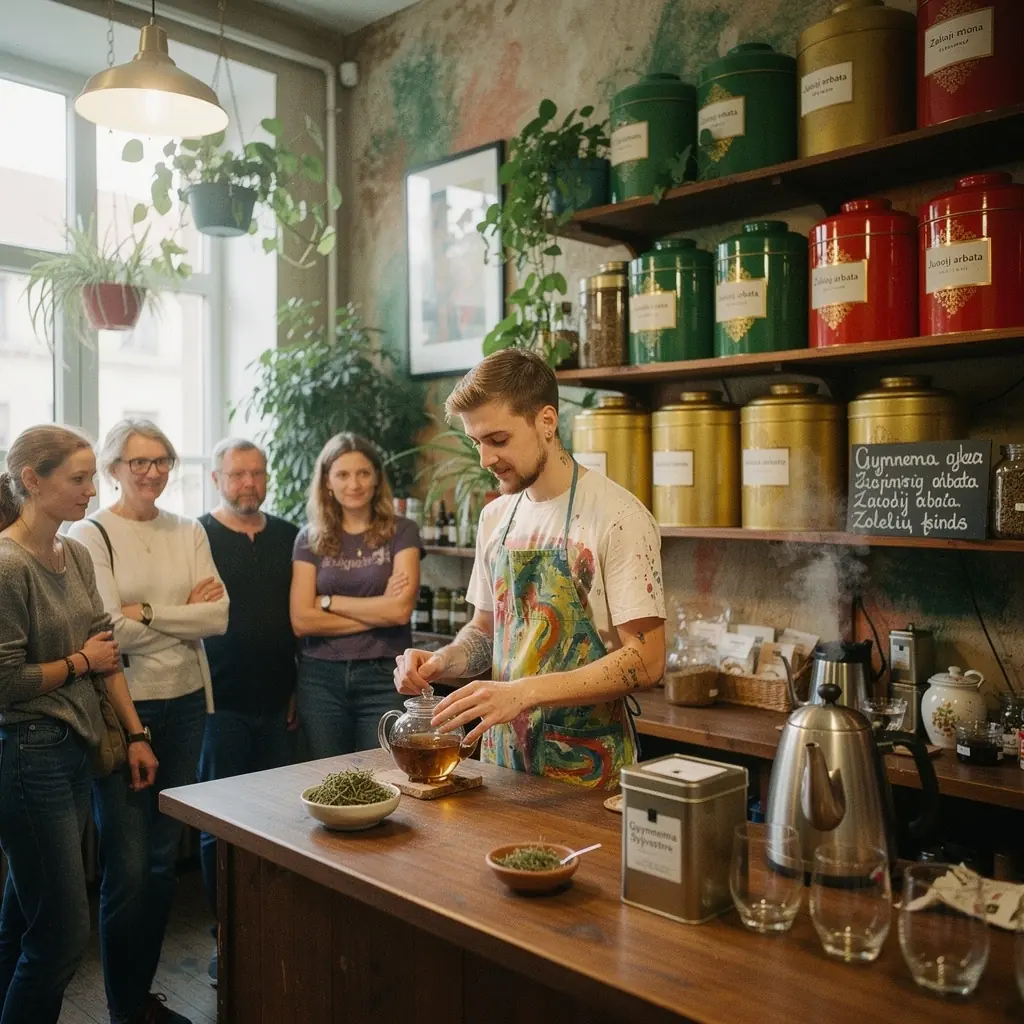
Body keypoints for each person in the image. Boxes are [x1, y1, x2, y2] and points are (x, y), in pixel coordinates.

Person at [394, 350, 666, 790]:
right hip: (500, 765)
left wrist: (523, 693)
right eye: (475, 442)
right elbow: (484, 631)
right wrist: (443, 661)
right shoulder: (496, 518)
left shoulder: (617, 516)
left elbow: (647, 660)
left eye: (497, 440)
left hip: (589, 770)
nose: (484, 458)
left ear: (546, 421)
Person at [68, 418, 228, 1024]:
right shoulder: (91, 533)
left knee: (163, 865)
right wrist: (182, 613)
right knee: (129, 869)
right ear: (113, 468)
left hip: (187, 700)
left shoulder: (188, 529)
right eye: (138, 462)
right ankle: (122, 1005)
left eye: (161, 460)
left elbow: (219, 619)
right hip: (122, 707)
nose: (153, 471)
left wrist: (154, 612)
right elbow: (110, 627)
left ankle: (141, 997)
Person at [0, 425, 158, 1024]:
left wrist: (136, 734)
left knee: (22, 924)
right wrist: (78, 664)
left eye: (93, 476)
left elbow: (107, 651)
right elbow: (5, 682)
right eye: (78, 478)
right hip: (29, 757)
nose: (91, 490)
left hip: (74, 752)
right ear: (33, 481)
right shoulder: (7, 565)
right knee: (62, 937)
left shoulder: (77, 552)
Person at [197, 438, 298, 972]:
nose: (249, 484)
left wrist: (298, 688)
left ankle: (272, 927)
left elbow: (298, 618)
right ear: (216, 479)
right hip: (218, 706)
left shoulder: (288, 534)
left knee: (281, 822)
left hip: (279, 704)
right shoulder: (198, 535)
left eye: (257, 473)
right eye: (237, 474)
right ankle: (226, 936)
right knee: (219, 826)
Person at [290, 433, 421, 758]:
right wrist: (378, 611)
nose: (354, 483)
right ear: (327, 482)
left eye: (363, 473)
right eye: (343, 474)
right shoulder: (308, 538)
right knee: (328, 779)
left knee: (384, 774)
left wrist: (329, 602)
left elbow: (400, 612)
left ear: (377, 478)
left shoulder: (402, 531)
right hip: (321, 680)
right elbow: (302, 620)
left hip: (384, 675)